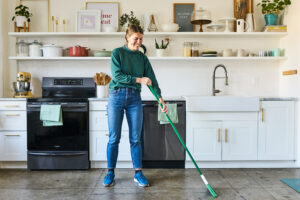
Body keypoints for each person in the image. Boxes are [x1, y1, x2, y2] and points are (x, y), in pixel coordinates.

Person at [103, 24, 167, 187]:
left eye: (141, 39)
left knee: (135, 138)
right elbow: (117, 76)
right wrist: (139, 80)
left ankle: (138, 173)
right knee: (114, 138)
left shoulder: (142, 58)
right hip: (116, 96)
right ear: (127, 37)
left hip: (134, 99)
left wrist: (159, 98)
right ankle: (110, 172)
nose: (139, 42)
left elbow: (152, 79)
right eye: (135, 38)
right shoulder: (117, 53)